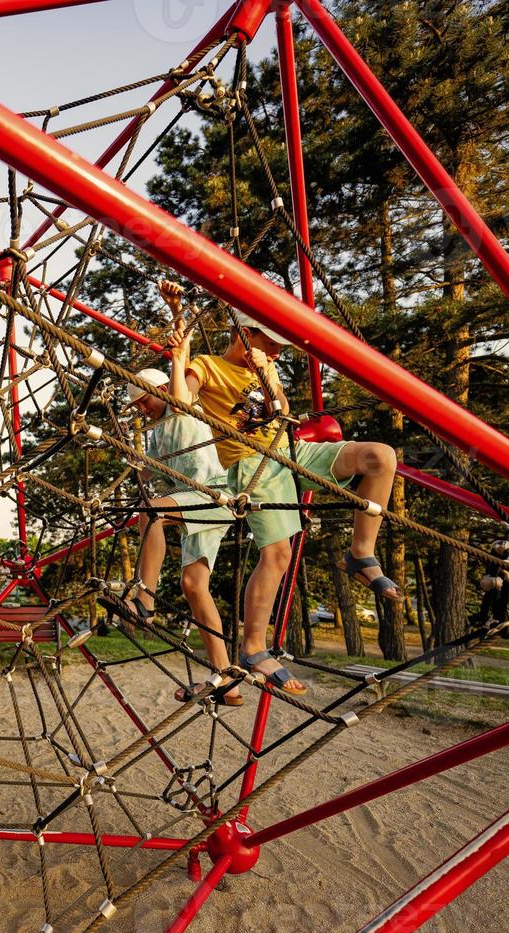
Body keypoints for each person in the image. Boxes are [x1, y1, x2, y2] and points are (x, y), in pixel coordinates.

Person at [168, 280, 402, 695]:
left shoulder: (266, 365)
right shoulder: (208, 366)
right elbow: (182, 403)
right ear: (244, 332)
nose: (277, 351)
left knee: (380, 457)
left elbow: (282, 409)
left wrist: (265, 371)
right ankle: (254, 647)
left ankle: (360, 553)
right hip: (250, 465)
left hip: (291, 450)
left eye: (280, 346)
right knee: (277, 554)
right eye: (270, 342)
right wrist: (179, 356)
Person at [125, 297, 247, 705]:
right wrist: (131, 459)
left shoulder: (184, 407)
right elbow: (148, 475)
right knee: (194, 585)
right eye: (136, 406)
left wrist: (178, 326)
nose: (142, 409)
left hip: (216, 496)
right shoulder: (157, 433)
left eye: (144, 400)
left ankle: (146, 594)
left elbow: (180, 373)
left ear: (162, 389)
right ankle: (225, 678)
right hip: (196, 503)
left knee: (154, 511)